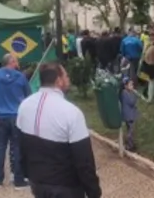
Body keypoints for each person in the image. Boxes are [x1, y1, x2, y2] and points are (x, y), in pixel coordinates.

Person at [17, 63, 102, 198]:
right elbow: (84, 161)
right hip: (65, 187)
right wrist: (94, 192)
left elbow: (20, 145)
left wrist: (26, 173)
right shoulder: (71, 112)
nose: (68, 80)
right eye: (66, 76)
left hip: (37, 182)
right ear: (59, 80)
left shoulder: (24, 106)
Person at [0, 54, 31, 189]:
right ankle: (18, 179)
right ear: (12, 62)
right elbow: (28, 95)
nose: (18, 63)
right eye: (16, 61)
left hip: (1, 115)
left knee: (0, 147)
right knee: (17, 147)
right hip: (17, 115)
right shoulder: (21, 77)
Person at [120, 76, 140, 152]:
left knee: (129, 129)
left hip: (129, 115)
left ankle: (130, 143)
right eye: (131, 85)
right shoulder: (125, 93)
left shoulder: (125, 93)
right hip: (129, 115)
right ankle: (129, 145)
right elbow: (132, 102)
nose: (132, 87)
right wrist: (135, 95)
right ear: (125, 86)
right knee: (131, 130)